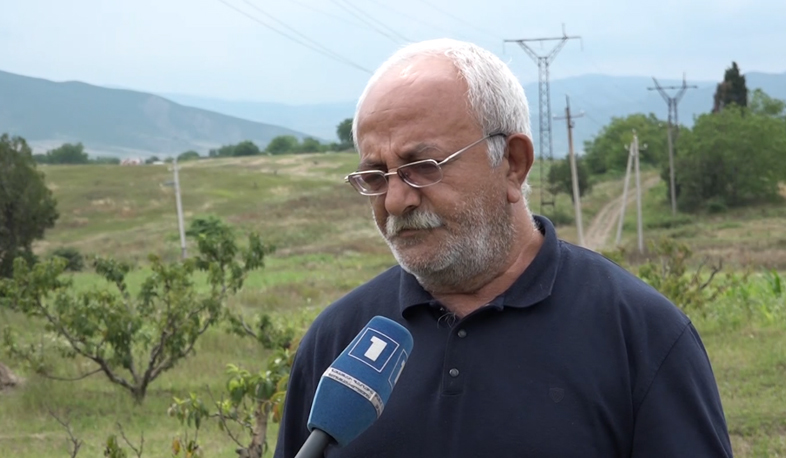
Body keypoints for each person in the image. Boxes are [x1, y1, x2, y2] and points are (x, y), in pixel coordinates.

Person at [273, 38, 733, 458]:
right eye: (376, 176)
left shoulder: (640, 334)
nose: (395, 200)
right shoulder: (338, 342)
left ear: (513, 163)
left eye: (423, 166)